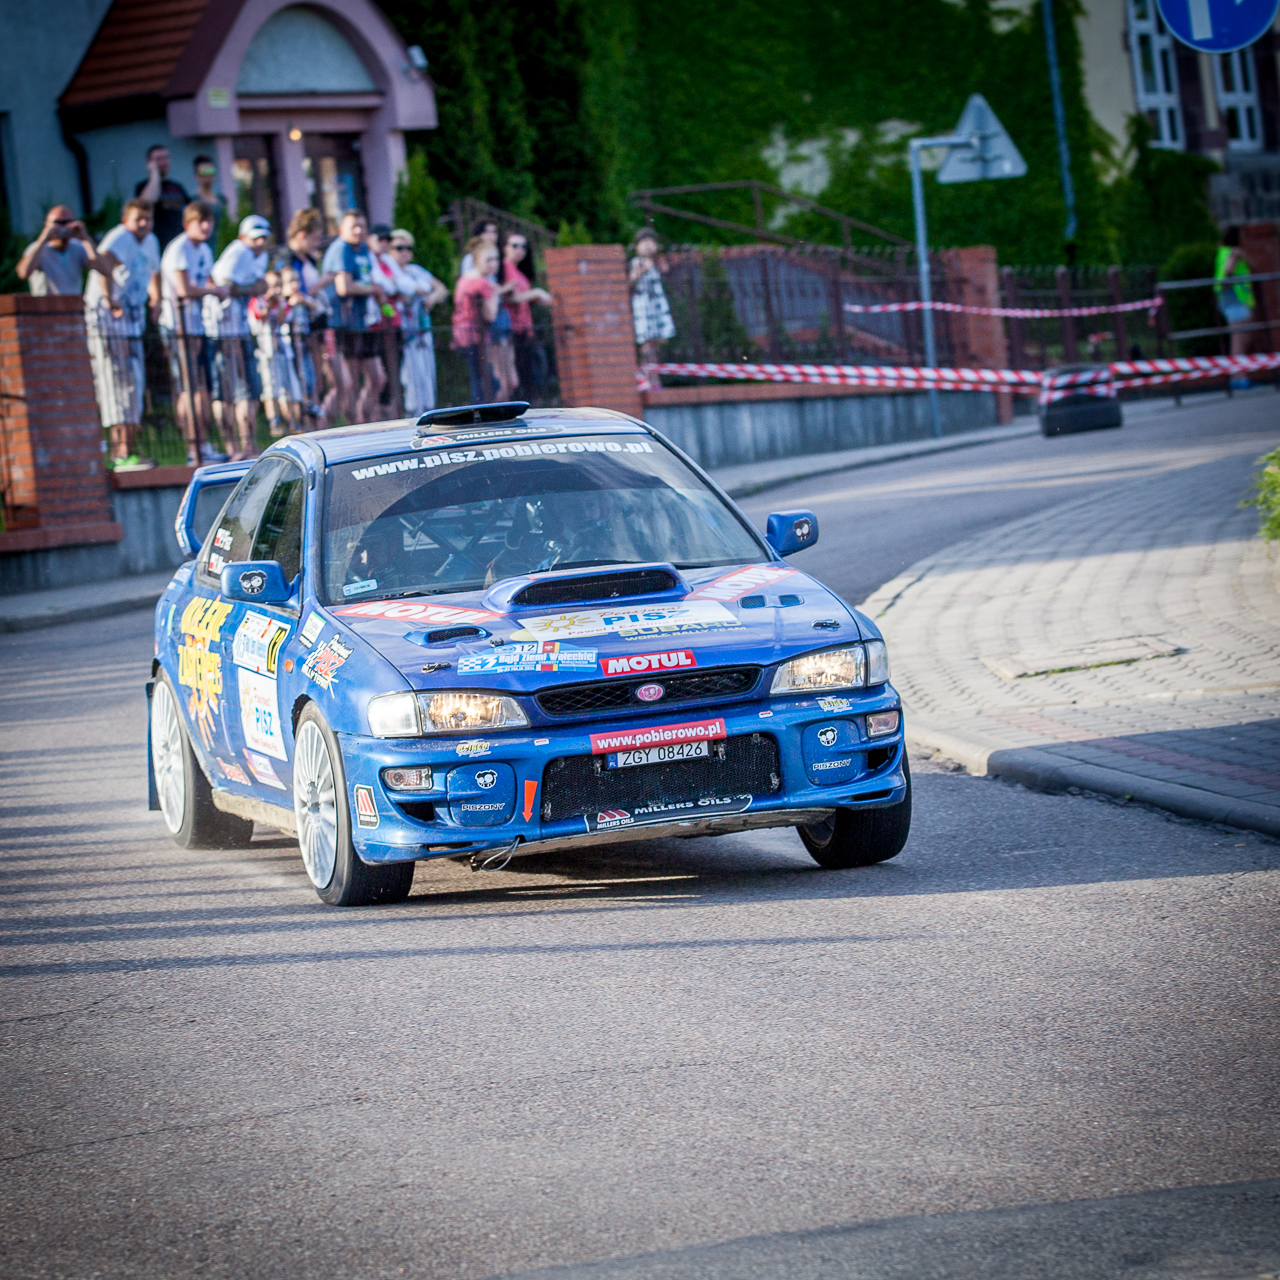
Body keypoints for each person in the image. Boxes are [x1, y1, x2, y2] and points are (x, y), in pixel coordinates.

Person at [84, 198, 161, 467]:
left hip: (132, 322)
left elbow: (154, 273)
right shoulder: (119, 238)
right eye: (138, 219)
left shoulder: (151, 241)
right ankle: (119, 452)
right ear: (125, 220)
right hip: (110, 321)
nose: (144, 224)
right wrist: (109, 299)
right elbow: (103, 267)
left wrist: (156, 300)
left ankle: (128, 449)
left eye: (148, 219)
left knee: (134, 382)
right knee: (115, 383)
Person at [159, 201, 227, 463]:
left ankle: (203, 443)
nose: (206, 226)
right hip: (178, 325)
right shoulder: (179, 249)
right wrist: (214, 291)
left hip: (197, 325)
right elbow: (184, 289)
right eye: (201, 221)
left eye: (209, 221)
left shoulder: (204, 250)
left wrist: (218, 289)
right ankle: (192, 447)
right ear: (188, 224)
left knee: (201, 388)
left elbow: (209, 280)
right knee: (188, 387)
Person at [208, 214, 270, 459]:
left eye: (263, 238)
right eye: (255, 238)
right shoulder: (238, 252)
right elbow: (223, 286)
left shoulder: (258, 256)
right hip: (223, 330)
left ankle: (248, 445)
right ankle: (233, 446)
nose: (260, 242)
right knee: (227, 391)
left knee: (248, 389)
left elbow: (259, 285)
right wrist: (252, 289)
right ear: (243, 237)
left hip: (241, 329)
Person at [321, 209, 387, 423]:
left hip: (361, 322)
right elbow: (344, 287)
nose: (359, 231)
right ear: (342, 230)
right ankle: (327, 426)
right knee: (346, 384)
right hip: (340, 323)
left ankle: (364, 422)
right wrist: (373, 289)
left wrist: (378, 294)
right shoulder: (341, 248)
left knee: (377, 378)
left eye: (362, 226)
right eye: (354, 227)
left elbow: (366, 279)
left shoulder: (363, 249)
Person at [281, 208, 335, 426]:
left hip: (313, 327)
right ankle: (301, 426)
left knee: (315, 380)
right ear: (303, 235)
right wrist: (323, 283)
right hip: (297, 328)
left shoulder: (308, 259)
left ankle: (317, 423)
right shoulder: (288, 259)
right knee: (302, 380)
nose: (317, 244)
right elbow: (295, 292)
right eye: (315, 238)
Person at [388, 229, 447, 416]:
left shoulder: (416, 271)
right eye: (399, 248)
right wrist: (421, 291)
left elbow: (441, 288)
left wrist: (432, 298)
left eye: (408, 248)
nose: (404, 252)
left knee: (427, 377)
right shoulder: (390, 272)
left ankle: (429, 413)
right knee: (411, 380)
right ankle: (412, 416)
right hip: (404, 335)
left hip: (423, 332)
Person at [500, 230, 553, 399]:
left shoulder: (519, 272)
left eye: (523, 247)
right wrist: (536, 293)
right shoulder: (505, 268)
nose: (519, 250)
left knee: (531, 376)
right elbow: (511, 298)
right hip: (512, 329)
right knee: (519, 379)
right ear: (505, 247)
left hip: (524, 329)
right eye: (514, 245)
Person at [452, 237, 505, 404]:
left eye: (496, 259)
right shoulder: (482, 283)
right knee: (487, 384)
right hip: (474, 336)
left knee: (479, 379)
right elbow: (491, 315)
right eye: (488, 260)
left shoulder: (464, 279)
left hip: (461, 334)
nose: (493, 264)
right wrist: (495, 294)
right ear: (476, 261)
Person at [249, 271, 302, 436]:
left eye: (277, 285)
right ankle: (274, 422)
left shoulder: (282, 303)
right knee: (270, 387)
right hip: (266, 352)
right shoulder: (257, 302)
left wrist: (277, 304)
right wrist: (267, 304)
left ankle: (292, 423)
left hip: (283, 351)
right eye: (271, 286)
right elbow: (259, 319)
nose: (274, 290)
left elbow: (283, 319)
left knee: (289, 388)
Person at [16, 205, 111, 295]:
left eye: (67, 222)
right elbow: (24, 273)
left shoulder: (78, 247)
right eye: (57, 223)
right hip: (44, 305)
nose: (63, 227)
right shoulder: (37, 248)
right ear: (47, 224)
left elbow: (105, 270)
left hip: (72, 304)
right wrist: (43, 239)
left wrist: (86, 239)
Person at [366, 223, 403, 419]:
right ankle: (375, 414)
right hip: (377, 325)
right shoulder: (368, 260)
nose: (384, 243)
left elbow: (401, 285)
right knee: (380, 376)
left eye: (387, 239)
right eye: (380, 239)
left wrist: (392, 288)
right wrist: (391, 290)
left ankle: (389, 411)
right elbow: (383, 289)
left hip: (393, 322)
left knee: (394, 370)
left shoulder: (388, 261)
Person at [629, 227, 675, 365]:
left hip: (657, 304)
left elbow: (666, 271)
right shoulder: (637, 262)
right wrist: (644, 267)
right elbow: (632, 279)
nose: (648, 245)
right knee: (647, 340)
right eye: (644, 241)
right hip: (644, 305)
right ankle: (647, 370)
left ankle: (654, 369)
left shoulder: (657, 261)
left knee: (658, 340)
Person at [1216, 226, 1255, 385]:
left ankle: (1238, 376)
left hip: (1230, 299)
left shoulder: (1223, 251)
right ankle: (1239, 377)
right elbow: (1229, 270)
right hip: (1234, 299)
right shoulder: (1233, 252)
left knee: (1240, 338)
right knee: (1239, 340)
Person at [137, 145, 190, 249]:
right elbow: (148, 201)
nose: (163, 162)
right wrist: (154, 173)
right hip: (157, 245)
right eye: (158, 159)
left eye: (166, 158)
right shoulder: (143, 186)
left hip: (179, 245)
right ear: (149, 163)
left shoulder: (177, 187)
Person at [192, 155, 229, 243]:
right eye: (204, 172)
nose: (208, 175)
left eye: (211, 171)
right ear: (197, 176)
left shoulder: (221, 199)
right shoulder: (193, 201)